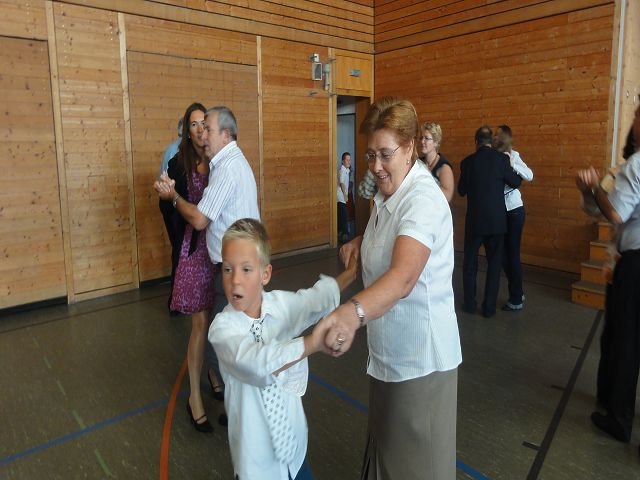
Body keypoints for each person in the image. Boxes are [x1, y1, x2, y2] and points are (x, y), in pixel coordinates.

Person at [316, 96, 462, 479]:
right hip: (389, 356)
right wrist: (362, 240)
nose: (376, 166)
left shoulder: (423, 199)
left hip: (420, 362)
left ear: (410, 147)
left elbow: (403, 277)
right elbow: (391, 232)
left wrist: (351, 313)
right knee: (387, 456)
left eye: (385, 154)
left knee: (415, 467)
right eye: (370, 155)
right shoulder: (388, 193)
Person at [209, 218, 357, 480]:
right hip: (257, 466)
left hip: (294, 452)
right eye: (227, 269)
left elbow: (314, 299)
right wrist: (312, 343)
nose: (235, 280)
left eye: (246, 269)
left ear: (265, 274)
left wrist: (351, 271)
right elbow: (257, 363)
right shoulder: (222, 329)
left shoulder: (280, 305)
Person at [155, 105, 260, 424]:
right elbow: (176, 214)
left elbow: (201, 218)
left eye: (207, 126)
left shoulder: (224, 167)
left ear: (224, 134)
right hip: (207, 257)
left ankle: (237, 403)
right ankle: (213, 396)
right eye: (196, 125)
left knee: (229, 335)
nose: (202, 131)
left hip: (229, 264)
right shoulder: (187, 162)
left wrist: (175, 198)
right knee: (214, 330)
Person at [576, 106, 640, 445]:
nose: (633, 120)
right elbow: (595, 208)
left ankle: (618, 416)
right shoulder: (623, 168)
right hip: (624, 260)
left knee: (624, 340)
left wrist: (592, 188)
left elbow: (614, 214)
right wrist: (590, 193)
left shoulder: (635, 166)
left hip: (635, 262)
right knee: (619, 337)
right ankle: (613, 401)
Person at [158, 102, 216, 432]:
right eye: (193, 124)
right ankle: (194, 396)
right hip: (195, 252)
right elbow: (167, 204)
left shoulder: (216, 159)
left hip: (218, 250)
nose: (198, 128)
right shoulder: (178, 162)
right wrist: (170, 199)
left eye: (202, 122)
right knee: (200, 323)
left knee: (216, 319)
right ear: (186, 129)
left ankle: (212, 371)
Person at [458, 125, 522, 318]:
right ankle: (488, 308)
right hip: (496, 222)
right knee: (494, 265)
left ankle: (470, 304)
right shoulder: (501, 160)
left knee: (470, 263)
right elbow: (516, 182)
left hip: (475, 222)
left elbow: (461, 190)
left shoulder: (467, 163)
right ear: (490, 142)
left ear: (476, 142)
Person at [492, 125, 534, 311]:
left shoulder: (514, 155)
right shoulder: (493, 157)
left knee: (513, 253)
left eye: (497, 134)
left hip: (515, 211)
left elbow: (529, 175)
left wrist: (511, 164)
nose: (494, 137)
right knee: (502, 255)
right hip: (500, 211)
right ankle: (517, 289)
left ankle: (516, 298)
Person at [158, 116, 185, 313]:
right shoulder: (177, 151)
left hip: (171, 202)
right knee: (179, 250)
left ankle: (177, 300)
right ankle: (176, 302)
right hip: (173, 203)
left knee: (178, 249)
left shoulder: (171, 148)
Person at [419, 122, 454, 202]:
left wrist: (426, 184)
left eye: (426, 138)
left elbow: (448, 196)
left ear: (435, 142)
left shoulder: (444, 168)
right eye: (421, 138)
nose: (422, 141)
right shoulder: (419, 163)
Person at [337, 152, 351, 242]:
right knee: (344, 216)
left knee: (342, 216)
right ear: (342, 161)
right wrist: (345, 195)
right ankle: (345, 235)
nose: (349, 161)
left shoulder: (346, 170)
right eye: (347, 160)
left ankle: (341, 233)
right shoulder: (342, 170)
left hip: (342, 198)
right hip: (340, 198)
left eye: (350, 160)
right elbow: (341, 183)